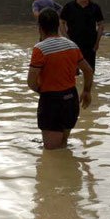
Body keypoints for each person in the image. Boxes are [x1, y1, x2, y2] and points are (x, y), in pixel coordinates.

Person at [27, 9, 94, 149]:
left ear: (39, 27)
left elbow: (31, 82)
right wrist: (87, 91)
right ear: (58, 25)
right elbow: (88, 70)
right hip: (71, 100)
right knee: (63, 145)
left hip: (51, 101)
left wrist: (42, 92)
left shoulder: (40, 49)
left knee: (51, 151)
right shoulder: (71, 45)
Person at [60, 0, 105, 70]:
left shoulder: (95, 7)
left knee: (90, 71)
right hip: (73, 44)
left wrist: (97, 43)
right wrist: (67, 40)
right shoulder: (68, 7)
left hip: (90, 45)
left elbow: (100, 24)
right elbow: (61, 22)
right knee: (73, 72)